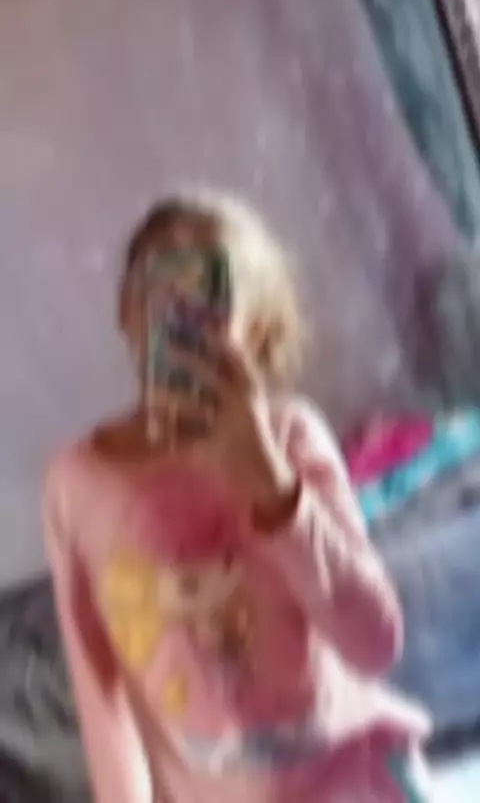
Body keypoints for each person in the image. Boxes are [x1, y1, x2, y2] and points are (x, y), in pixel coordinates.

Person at [44, 191, 432, 803]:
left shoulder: (290, 436)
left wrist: (272, 483)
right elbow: (100, 688)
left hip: (351, 778)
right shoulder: (77, 483)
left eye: (208, 292)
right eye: (160, 284)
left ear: (257, 328)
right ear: (126, 310)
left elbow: (374, 645)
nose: (178, 310)